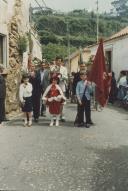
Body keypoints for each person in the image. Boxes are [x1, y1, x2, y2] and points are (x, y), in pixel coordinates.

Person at [55, 57, 68, 122]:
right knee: (55, 101)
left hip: (62, 86)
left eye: (60, 61)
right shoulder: (53, 68)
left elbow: (66, 77)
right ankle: (55, 115)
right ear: (56, 61)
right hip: (54, 87)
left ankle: (62, 115)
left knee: (62, 102)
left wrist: (61, 76)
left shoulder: (64, 68)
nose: (58, 62)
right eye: (57, 61)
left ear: (62, 62)